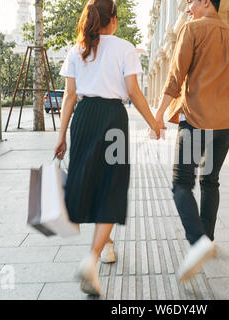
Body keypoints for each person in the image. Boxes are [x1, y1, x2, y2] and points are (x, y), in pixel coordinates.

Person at [54, 0, 162, 296]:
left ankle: (105, 246)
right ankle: (92, 258)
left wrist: (61, 135)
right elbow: (133, 92)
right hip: (113, 120)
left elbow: (69, 97)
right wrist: (154, 123)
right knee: (112, 187)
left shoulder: (77, 50)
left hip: (84, 118)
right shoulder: (125, 48)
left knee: (89, 181)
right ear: (112, 19)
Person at [154, 0, 229, 282]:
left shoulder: (192, 30)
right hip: (226, 125)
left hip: (196, 121)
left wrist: (159, 115)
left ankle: (198, 242)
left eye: (190, 1)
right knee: (210, 181)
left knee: (181, 184)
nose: (187, 7)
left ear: (205, 2)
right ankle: (208, 240)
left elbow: (175, 77)